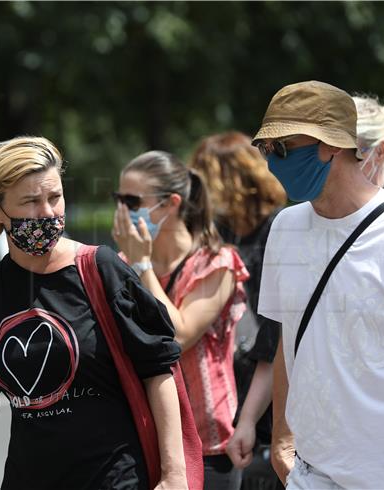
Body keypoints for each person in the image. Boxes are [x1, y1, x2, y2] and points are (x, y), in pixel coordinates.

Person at [0, 136, 189, 490]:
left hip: (115, 480)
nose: (47, 213)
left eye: (54, 197)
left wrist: (174, 475)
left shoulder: (101, 270)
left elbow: (158, 368)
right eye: (30, 201)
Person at [253, 80, 384, 489]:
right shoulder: (285, 227)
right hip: (309, 476)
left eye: (282, 148)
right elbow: (288, 339)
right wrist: (281, 442)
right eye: (265, 149)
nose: (271, 162)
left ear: (330, 146)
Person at [111, 151, 249, 490]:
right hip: (148, 438)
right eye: (119, 199)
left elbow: (179, 335)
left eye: (132, 201)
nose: (123, 211)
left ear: (171, 203)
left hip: (208, 443)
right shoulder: (123, 263)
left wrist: (143, 266)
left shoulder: (217, 262)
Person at [187, 132, 287, 479]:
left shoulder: (280, 229)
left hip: (268, 379)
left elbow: (275, 326)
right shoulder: (219, 234)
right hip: (233, 381)